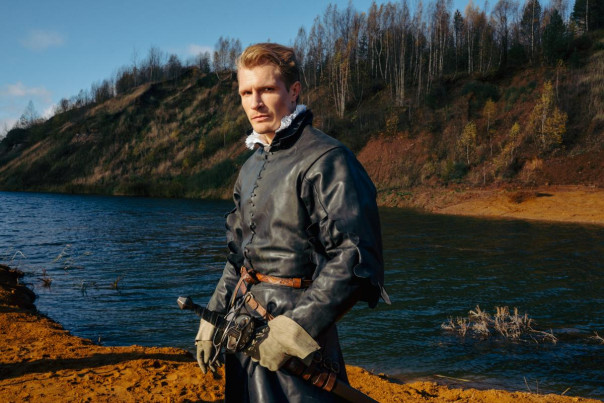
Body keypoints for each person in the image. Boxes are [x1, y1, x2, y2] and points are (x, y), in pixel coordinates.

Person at [195, 42, 389, 402]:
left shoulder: (328, 159)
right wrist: (213, 314)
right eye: (246, 93)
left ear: (294, 91)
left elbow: (355, 257)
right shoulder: (249, 168)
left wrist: (297, 328)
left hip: (297, 344)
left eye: (267, 89)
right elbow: (239, 259)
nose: (255, 103)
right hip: (244, 330)